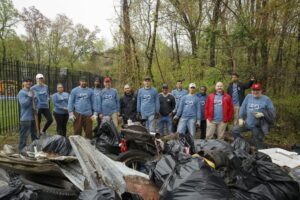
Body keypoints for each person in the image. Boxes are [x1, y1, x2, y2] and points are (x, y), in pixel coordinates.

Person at [232, 83, 275, 149]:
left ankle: (261, 154)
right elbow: (243, 107)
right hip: (247, 123)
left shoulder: (266, 99)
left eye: (257, 90)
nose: (255, 92)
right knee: (234, 130)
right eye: (253, 90)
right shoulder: (248, 96)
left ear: (261, 90)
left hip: (258, 126)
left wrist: (262, 114)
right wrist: (240, 118)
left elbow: (273, 113)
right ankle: (243, 144)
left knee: (257, 141)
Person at [17, 77, 37, 151]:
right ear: (23, 83)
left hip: (33, 117)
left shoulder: (32, 91)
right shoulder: (21, 92)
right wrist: (29, 97)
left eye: (30, 81)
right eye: (26, 81)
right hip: (26, 119)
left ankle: (35, 150)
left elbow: (35, 103)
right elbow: (24, 105)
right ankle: (21, 150)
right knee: (24, 136)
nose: (28, 83)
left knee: (34, 135)